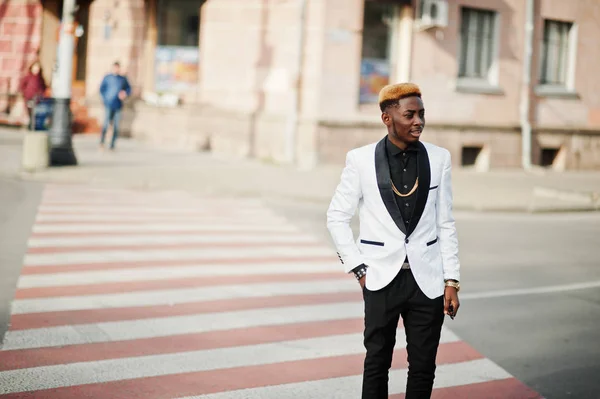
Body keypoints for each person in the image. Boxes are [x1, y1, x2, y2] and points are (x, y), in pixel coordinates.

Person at [326, 83, 461, 399]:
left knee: (424, 366)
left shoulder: (439, 159)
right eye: (409, 115)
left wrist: (452, 279)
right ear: (387, 118)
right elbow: (336, 217)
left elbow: (446, 223)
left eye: (421, 114)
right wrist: (359, 269)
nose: (418, 122)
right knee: (377, 362)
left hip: (426, 279)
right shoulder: (360, 160)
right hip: (380, 278)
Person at [99, 61, 131, 150]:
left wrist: (125, 93)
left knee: (116, 126)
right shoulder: (107, 78)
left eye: (117, 68)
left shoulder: (122, 79)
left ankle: (112, 145)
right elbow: (102, 89)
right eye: (115, 68)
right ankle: (102, 142)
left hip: (118, 105)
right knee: (106, 124)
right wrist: (105, 99)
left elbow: (128, 89)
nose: (116, 69)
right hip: (109, 104)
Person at [19, 61, 47, 129]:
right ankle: (31, 125)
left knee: (36, 112)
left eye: (37, 67)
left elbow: (44, 87)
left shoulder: (40, 78)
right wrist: (25, 92)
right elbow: (22, 86)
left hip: (38, 98)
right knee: (30, 111)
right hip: (29, 97)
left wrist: (41, 93)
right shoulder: (28, 77)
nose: (36, 69)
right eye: (35, 67)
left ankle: (34, 125)